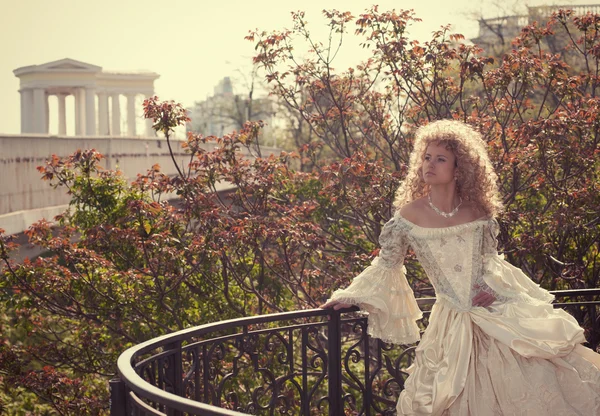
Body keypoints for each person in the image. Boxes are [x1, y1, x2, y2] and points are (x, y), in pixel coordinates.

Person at [321, 120, 600, 415]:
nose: (430, 164)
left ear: (459, 168)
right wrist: (351, 296)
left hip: (494, 318)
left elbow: (491, 264)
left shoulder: (478, 213)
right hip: (451, 323)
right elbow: (386, 265)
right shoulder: (408, 215)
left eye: (440, 159)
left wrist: (494, 289)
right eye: (427, 157)